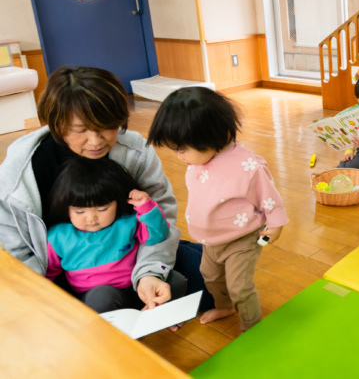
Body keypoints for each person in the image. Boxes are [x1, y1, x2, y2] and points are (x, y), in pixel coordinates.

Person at [0, 66, 197, 313]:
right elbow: (16, 251)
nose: (96, 141)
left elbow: (161, 213)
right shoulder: (21, 172)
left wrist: (149, 272)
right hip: (68, 275)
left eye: (107, 126)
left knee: (207, 274)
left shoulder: (134, 150)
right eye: (81, 130)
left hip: (128, 255)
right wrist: (44, 301)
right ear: (57, 124)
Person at [147, 87, 289, 332]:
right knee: (210, 277)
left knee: (239, 286)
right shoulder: (197, 160)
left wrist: (274, 227)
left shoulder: (248, 166)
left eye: (182, 149)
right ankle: (225, 306)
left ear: (211, 137)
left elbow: (270, 199)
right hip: (210, 241)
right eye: (175, 149)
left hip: (242, 239)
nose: (179, 156)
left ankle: (251, 326)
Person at [45, 157, 178, 313]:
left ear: (117, 202)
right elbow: (47, 273)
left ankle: (151, 310)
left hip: (137, 287)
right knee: (103, 297)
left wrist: (146, 208)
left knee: (176, 282)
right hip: (95, 298)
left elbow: (157, 236)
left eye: (102, 209)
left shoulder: (127, 223)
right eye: (80, 212)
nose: (91, 218)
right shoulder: (58, 237)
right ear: (66, 208)